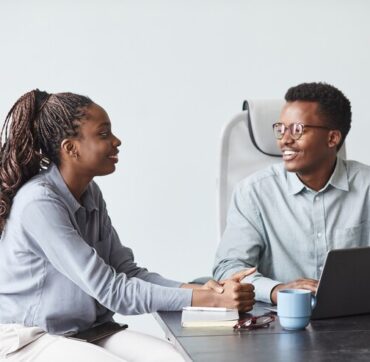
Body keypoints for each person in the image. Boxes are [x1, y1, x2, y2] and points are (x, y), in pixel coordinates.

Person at [0, 90, 255, 362]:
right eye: (103, 134)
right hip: (31, 339)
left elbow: (126, 272)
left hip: (88, 331)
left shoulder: (89, 192)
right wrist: (212, 302)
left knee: (177, 358)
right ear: (70, 148)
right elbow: (113, 291)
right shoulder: (39, 203)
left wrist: (207, 290)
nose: (116, 141)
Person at [213, 82, 370, 305]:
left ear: (332, 138)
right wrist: (277, 290)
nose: (284, 139)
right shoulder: (253, 192)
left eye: (297, 129)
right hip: (278, 323)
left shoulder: (366, 187)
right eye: (280, 129)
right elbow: (228, 268)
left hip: (357, 320)